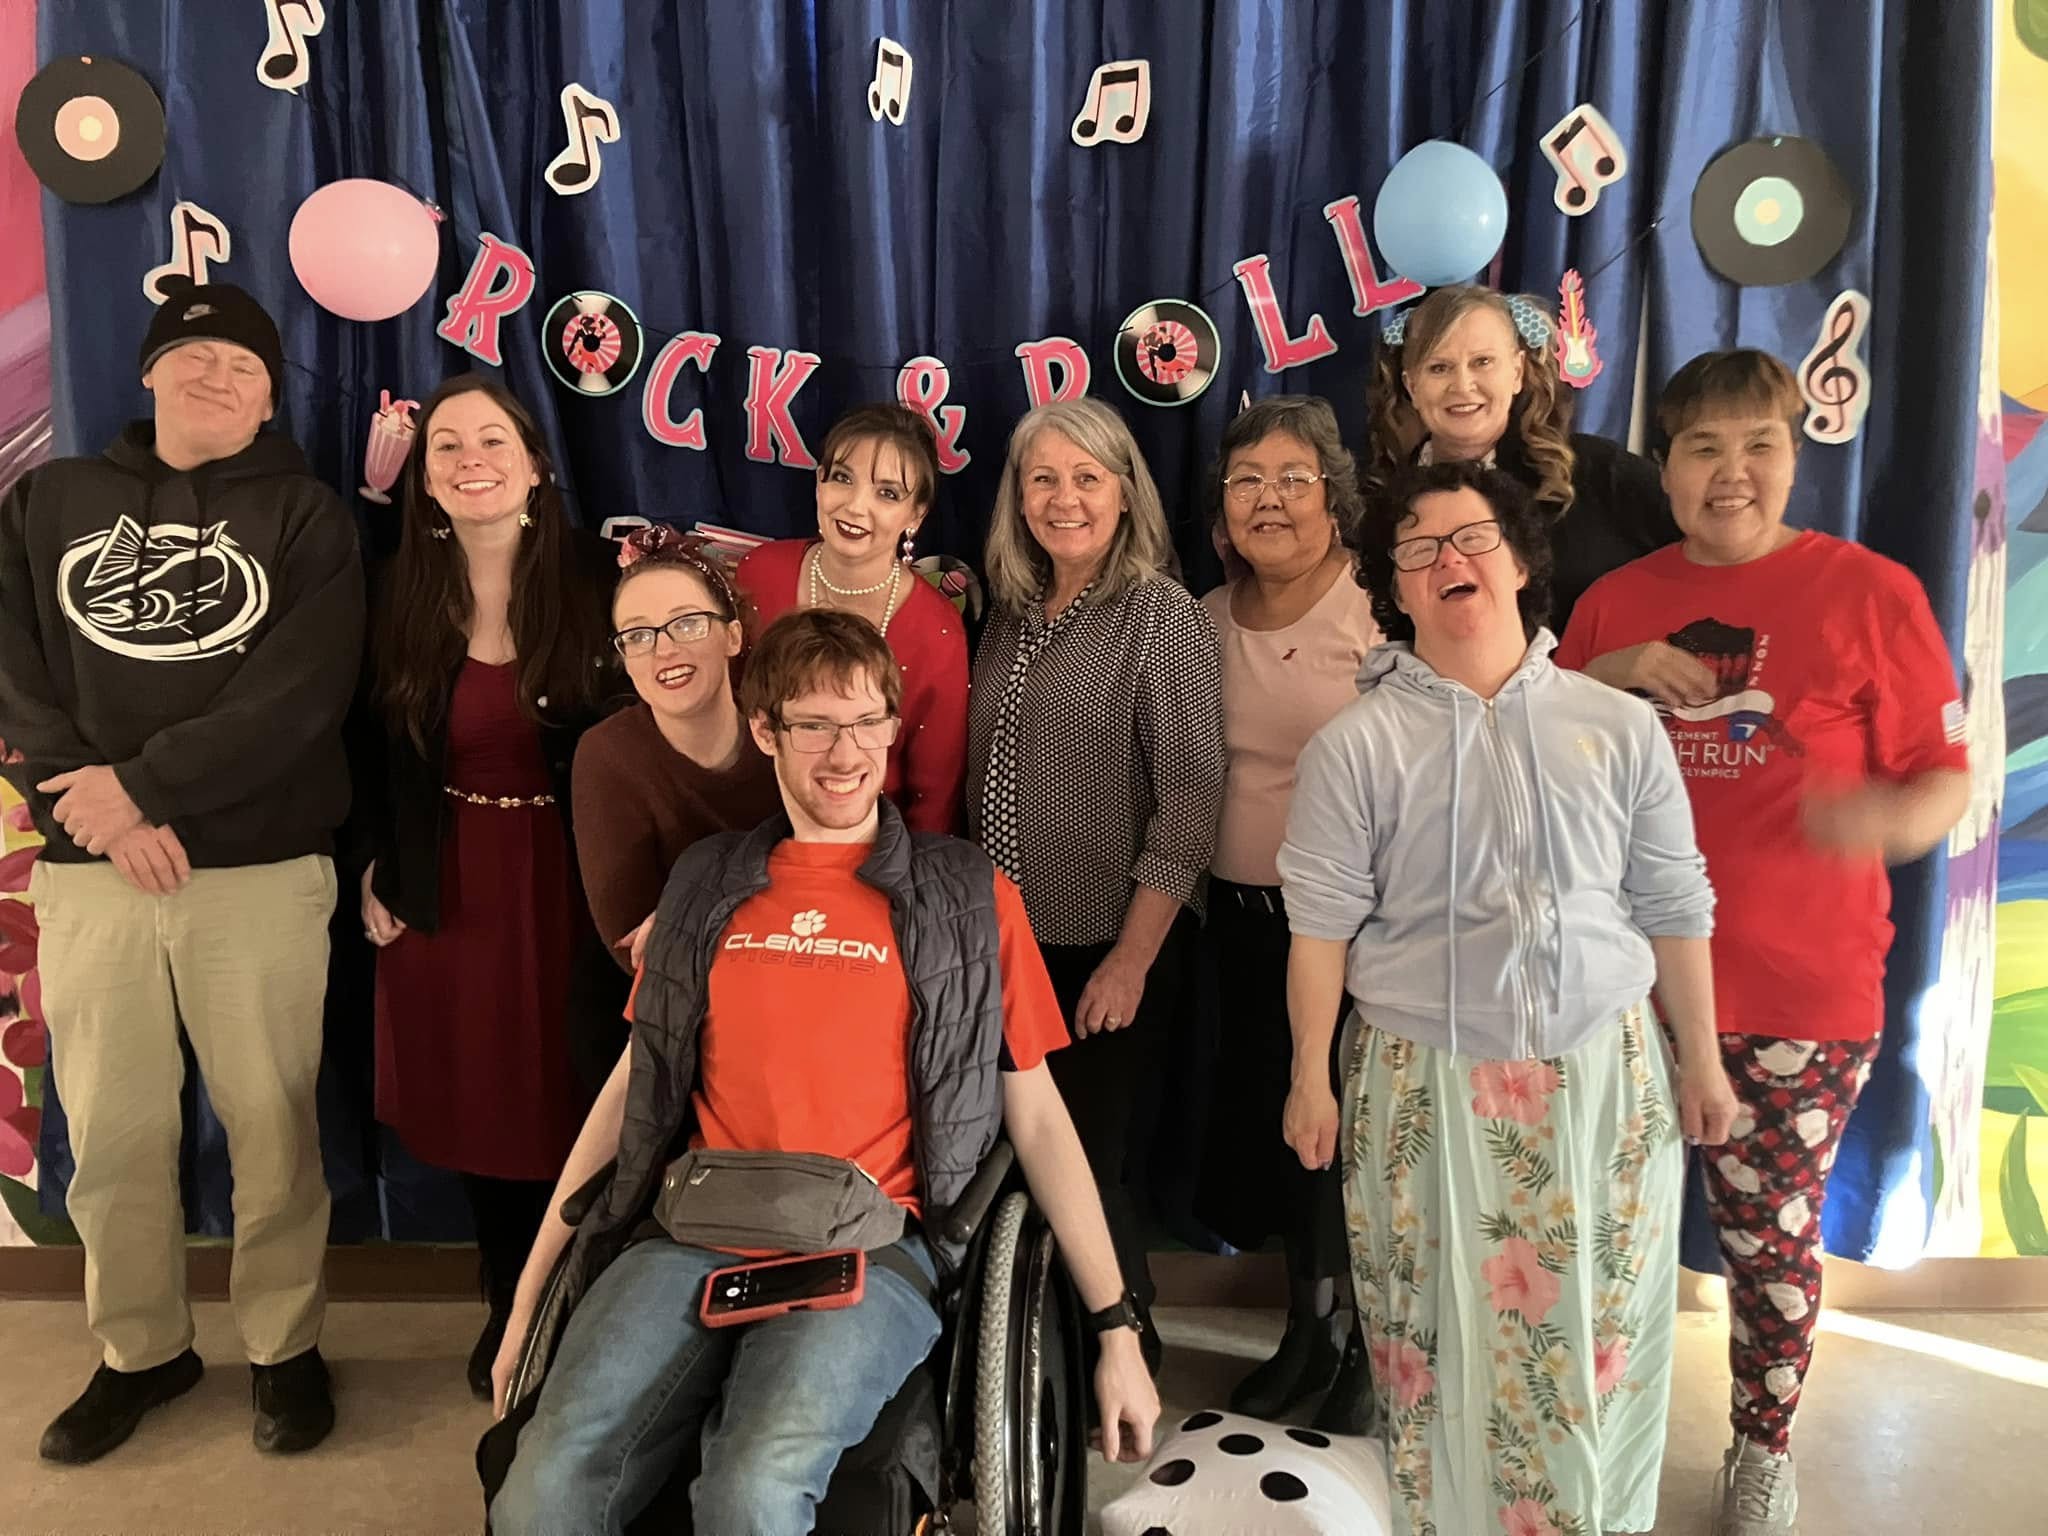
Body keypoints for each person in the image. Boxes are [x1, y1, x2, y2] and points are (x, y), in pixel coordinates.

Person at [485, 610, 1160, 1535]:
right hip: (691, 1228)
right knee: (542, 1487)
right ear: (766, 732)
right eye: (812, 725)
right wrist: (531, 1299)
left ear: (892, 728)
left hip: (869, 1249)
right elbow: (629, 1090)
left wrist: (1115, 1328)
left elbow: (1038, 1119)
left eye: (865, 722)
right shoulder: (704, 883)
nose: (844, 753)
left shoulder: (966, 894)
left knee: (750, 1493)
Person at [1556, 350, 1972, 1536]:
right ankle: (1593, 1436)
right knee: (1593, 1241)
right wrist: (1600, 675)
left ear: (1794, 455)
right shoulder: (1612, 602)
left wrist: (1882, 820)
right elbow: (1529, 755)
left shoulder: (1868, 593)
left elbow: (1942, 781)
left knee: (1769, 1248)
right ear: (1666, 466)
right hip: (1616, 991)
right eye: (1702, 447)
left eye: (1758, 445)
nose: (1730, 472)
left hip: (1797, 994)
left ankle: (1759, 1448)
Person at [1280, 459, 1736, 1536]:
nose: (1449, 560)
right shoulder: (1354, 747)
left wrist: (1701, 1060)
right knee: (1434, 1344)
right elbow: (1320, 927)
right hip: (1420, 1084)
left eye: (1471, 537)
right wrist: (1308, 1074)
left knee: (1595, 1339)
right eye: (1418, 547)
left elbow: (1671, 897)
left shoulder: (1612, 726)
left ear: (1521, 562)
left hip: (1600, 1081)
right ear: (1391, 588)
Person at [0, 285, 360, 1461]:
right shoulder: (48, 501)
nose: (218, 377)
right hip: (92, 871)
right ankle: (139, 1353)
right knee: (108, 1129)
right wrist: (94, 802)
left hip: (258, 872)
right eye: (194, 356)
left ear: (269, 400)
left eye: (244, 368)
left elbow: (303, 692)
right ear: (148, 373)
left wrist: (148, 787)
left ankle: (285, 1348)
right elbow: (11, 664)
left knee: (270, 1124)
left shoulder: (309, 517)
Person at [354, 373, 619, 1401]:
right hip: (449, 881)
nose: (470, 461)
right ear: (423, 481)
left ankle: (581, 1302)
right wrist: (374, 858)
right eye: (446, 447)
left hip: (578, 876)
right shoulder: (394, 593)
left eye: (492, 441)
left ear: (536, 464)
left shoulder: (602, 577)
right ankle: (508, 1294)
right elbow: (368, 745)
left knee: (577, 1091)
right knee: (478, 1099)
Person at [967, 397, 1226, 1366]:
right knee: (1017, 1163)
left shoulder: (1156, 615)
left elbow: (1191, 801)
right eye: (1042, 477)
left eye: (1085, 476)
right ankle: (1043, 1356)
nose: (1062, 497)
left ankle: (1124, 1355)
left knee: (1088, 1164)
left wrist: (1128, 960)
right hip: (1003, 944)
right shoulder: (1006, 618)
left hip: (1100, 949)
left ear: (1124, 491)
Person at [1189, 396, 1382, 1429]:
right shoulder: (1203, 618)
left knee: (1348, 1141)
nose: (1268, 499)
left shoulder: (1376, 609)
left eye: (1290, 478)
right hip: (1236, 924)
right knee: (1285, 1142)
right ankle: (1305, 1329)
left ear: (1332, 498)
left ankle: (1361, 1345)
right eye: (1245, 480)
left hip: (1352, 932)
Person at [570, 524, 782, 1079]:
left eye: (687, 623)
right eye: (637, 635)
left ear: (733, 636)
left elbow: (838, 874)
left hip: (802, 992)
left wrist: (688, 912)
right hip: (677, 1029)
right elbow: (632, 946)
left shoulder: (786, 732)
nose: (664, 649)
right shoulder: (607, 756)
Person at [1366, 283, 1680, 632]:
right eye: (1439, 367)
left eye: (1482, 362)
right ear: (1411, 386)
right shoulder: (1384, 501)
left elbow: (1711, 550)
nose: (1462, 385)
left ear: (1517, 372)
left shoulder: (1599, 470)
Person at [735, 403, 967, 832]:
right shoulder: (759, 574)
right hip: (740, 833)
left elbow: (933, 801)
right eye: (842, 478)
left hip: (872, 853)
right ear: (819, 483)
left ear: (916, 515)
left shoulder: (937, 632)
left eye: (888, 493)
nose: (856, 506)